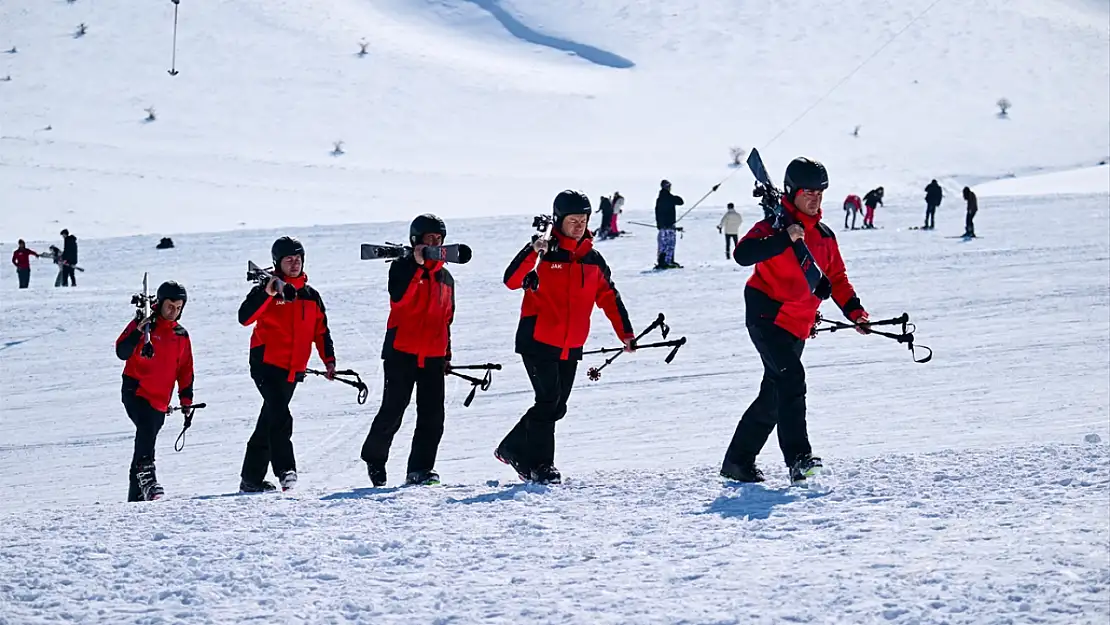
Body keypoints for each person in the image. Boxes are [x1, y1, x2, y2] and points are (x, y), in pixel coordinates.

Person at [723, 157, 870, 484]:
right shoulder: (774, 227)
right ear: (792, 192)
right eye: (808, 192)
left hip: (798, 324)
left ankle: (737, 462)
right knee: (791, 379)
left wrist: (855, 312)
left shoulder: (825, 237)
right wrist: (784, 238)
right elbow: (743, 254)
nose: (815, 197)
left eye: (820, 192)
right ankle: (799, 460)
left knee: (773, 397)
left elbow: (838, 278)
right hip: (766, 315)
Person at [498, 190, 636, 484]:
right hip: (537, 338)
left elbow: (609, 297)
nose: (578, 226)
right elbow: (511, 281)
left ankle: (511, 447)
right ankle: (542, 465)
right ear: (559, 221)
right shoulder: (543, 252)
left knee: (557, 405)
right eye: (573, 220)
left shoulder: (594, 260)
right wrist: (533, 250)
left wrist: (625, 333)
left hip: (571, 344)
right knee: (548, 401)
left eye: (583, 220)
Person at [361, 215, 455, 487]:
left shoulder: (446, 278)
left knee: (433, 416)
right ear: (416, 241)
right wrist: (416, 266)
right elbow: (399, 299)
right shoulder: (402, 268)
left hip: (434, 357)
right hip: (401, 352)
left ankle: (420, 470)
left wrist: (446, 355)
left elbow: (447, 319)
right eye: (430, 239)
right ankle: (374, 457)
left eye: (439, 240)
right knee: (393, 410)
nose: (435, 244)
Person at [237, 236, 336, 493]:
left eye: (298, 259)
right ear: (277, 263)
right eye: (289, 259)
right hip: (265, 364)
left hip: (293, 370)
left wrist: (329, 361)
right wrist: (267, 293)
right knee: (281, 415)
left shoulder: (311, 296)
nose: (294, 263)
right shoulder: (268, 290)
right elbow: (245, 317)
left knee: (268, 421)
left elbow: (321, 332)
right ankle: (285, 470)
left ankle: (251, 479)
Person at [114, 281, 194, 501]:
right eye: (170, 305)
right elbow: (122, 351)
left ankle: (136, 499)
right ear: (159, 303)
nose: (174, 311)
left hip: (161, 400)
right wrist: (137, 332)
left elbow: (185, 369)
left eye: (179, 307)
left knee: (146, 437)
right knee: (146, 428)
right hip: (136, 390)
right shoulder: (144, 325)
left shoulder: (181, 335)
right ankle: (149, 479)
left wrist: (186, 399)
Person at [654, 180, 684, 269]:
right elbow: (681, 201)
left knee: (662, 245)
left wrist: (659, 224)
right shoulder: (670, 198)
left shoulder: (659, 199)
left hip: (662, 226)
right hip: (670, 225)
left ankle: (661, 261)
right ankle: (668, 261)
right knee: (670, 244)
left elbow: (657, 212)